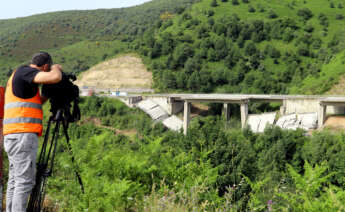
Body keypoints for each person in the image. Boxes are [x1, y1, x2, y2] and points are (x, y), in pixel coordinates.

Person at [3, 52, 62, 212]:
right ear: (44, 67)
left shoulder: (21, 78)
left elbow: (35, 102)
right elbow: (55, 77)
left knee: (16, 180)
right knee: (24, 182)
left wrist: (48, 94)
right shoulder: (25, 71)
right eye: (48, 69)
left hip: (14, 135)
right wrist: (57, 69)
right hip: (22, 135)